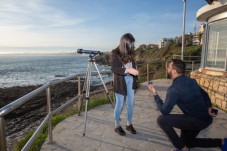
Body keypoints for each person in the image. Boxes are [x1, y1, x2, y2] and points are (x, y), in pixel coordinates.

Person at [147, 59, 227, 151]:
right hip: (205, 118)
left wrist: (155, 93)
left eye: (168, 67)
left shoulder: (174, 89)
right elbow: (204, 94)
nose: (166, 68)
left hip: (197, 120)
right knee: (188, 142)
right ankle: (221, 142)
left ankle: (182, 149)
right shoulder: (192, 81)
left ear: (174, 71)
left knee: (161, 120)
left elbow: (164, 111)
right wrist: (209, 107)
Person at [111, 33, 139, 136]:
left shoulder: (131, 52)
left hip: (130, 81)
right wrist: (128, 70)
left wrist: (135, 80)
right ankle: (117, 126)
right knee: (119, 105)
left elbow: (133, 67)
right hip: (120, 82)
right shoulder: (115, 53)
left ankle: (129, 124)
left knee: (130, 104)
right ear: (125, 43)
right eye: (131, 44)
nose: (132, 46)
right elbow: (114, 69)